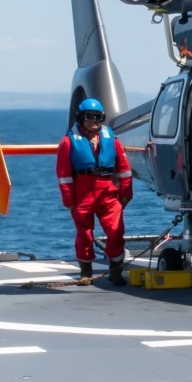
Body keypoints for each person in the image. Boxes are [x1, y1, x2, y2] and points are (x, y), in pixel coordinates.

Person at [57, 98, 133, 284]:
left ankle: (116, 270)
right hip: (82, 192)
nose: (94, 120)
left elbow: (124, 168)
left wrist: (126, 193)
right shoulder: (67, 142)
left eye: (97, 117)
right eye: (89, 116)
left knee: (116, 231)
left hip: (108, 191)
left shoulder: (111, 139)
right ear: (80, 117)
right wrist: (69, 200)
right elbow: (64, 174)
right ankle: (86, 272)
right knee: (84, 234)